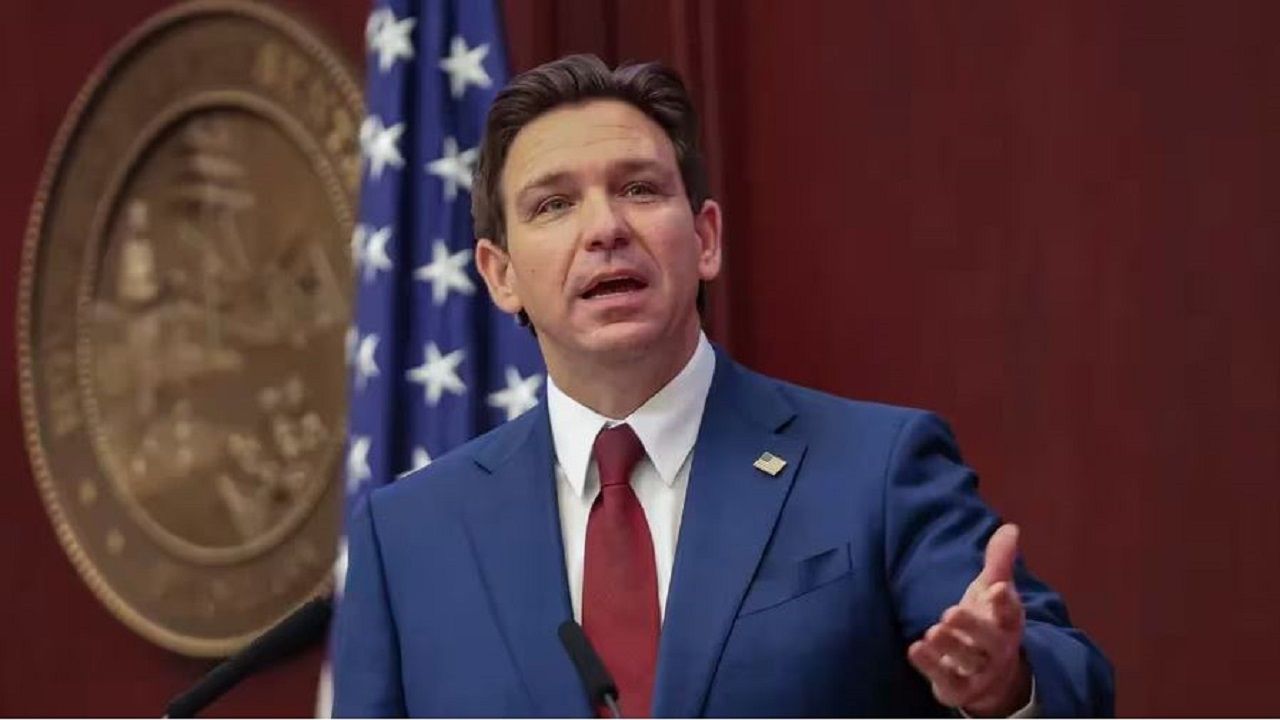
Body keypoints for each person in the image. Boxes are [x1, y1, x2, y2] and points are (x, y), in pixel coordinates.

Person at [332, 54, 1114, 717]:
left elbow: (1072, 678)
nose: (604, 228)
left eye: (639, 189)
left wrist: (1005, 685)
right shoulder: (407, 540)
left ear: (703, 239)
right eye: (555, 204)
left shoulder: (874, 469)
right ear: (500, 275)